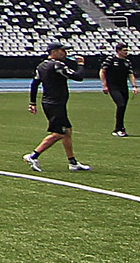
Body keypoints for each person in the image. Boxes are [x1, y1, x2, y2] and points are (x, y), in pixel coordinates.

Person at [24, 43, 91, 172]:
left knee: (67, 130)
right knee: (59, 133)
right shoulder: (57, 65)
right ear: (53, 52)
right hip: (56, 103)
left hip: (49, 102)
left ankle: (72, 162)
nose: (64, 53)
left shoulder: (41, 65)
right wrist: (81, 64)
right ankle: (33, 155)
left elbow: (34, 84)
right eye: (62, 51)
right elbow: (78, 77)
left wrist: (32, 102)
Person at [101, 43, 138, 137]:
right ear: (118, 51)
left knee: (123, 107)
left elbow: (130, 74)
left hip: (123, 87)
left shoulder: (127, 62)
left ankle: (120, 128)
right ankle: (118, 129)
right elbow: (102, 71)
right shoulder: (111, 60)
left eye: (127, 50)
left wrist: (134, 86)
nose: (126, 52)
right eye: (124, 50)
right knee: (120, 104)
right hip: (113, 86)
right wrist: (104, 85)